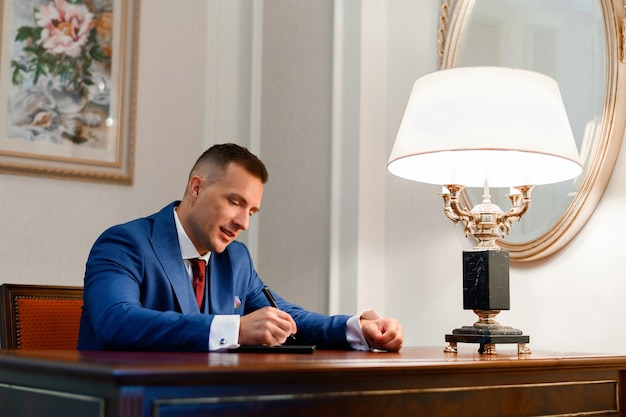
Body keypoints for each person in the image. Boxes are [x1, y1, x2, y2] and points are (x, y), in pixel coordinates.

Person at [78, 143, 403, 352]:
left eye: (252, 211)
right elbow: (116, 322)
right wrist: (234, 328)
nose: (244, 223)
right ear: (196, 188)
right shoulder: (124, 243)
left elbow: (285, 317)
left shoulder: (236, 257)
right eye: (235, 202)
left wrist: (357, 328)